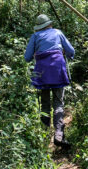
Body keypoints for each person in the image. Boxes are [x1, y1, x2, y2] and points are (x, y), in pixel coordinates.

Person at [24, 14, 75, 147]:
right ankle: (58, 134)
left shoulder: (35, 36)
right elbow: (71, 50)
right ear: (49, 24)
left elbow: (27, 57)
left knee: (45, 103)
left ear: (39, 27)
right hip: (57, 69)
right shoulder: (58, 32)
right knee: (59, 103)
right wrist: (70, 56)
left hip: (42, 72)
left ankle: (45, 137)